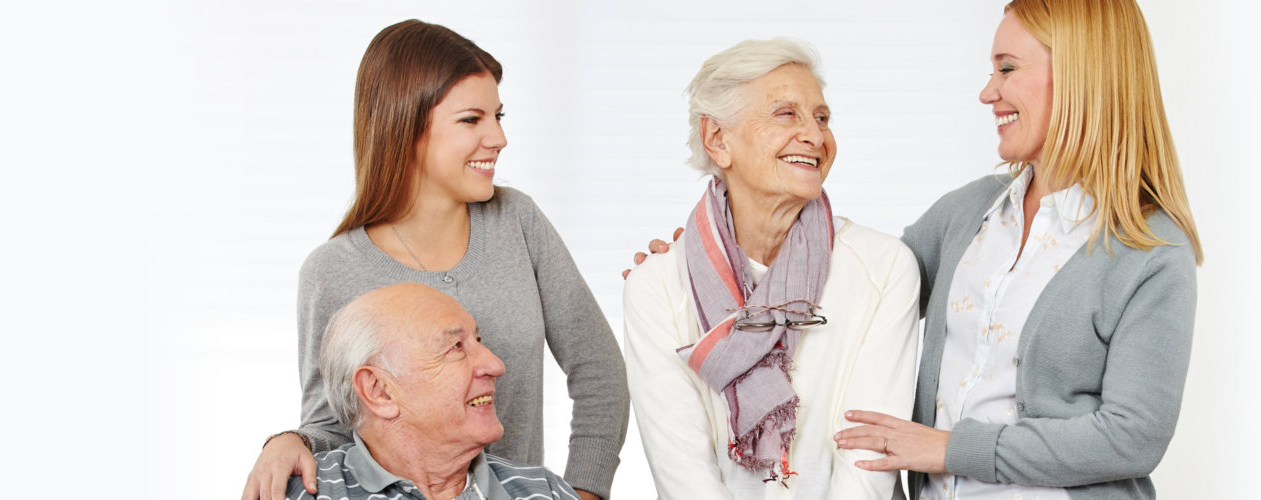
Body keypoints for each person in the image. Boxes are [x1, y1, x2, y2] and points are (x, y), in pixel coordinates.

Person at [630, 1, 1201, 498]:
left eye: (1007, 69)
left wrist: (950, 450)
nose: (987, 92)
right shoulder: (971, 212)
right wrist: (705, 258)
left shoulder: (1150, 248)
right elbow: (853, 278)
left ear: (1082, 78)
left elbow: (1133, 437)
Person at [244, 19, 626, 500]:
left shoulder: (517, 221)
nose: (498, 138)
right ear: (406, 125)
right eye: (472, 119)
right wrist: (289, 440)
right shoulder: (333, 271)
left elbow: (600, 374)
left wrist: (584, 492)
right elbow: (333, 423)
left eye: (498, 116)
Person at [622, 38, 921, 500]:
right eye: (786, 114)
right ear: (717, 139)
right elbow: (683, 474)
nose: (815, 136)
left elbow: (866, 462)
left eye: (821, 118)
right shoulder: (656, 286)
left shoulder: (884, 267)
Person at [285, 283, 584, 500]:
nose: (495, 365)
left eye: (478, 341)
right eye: (455, 347)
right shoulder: (303, 495)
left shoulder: (545, 491)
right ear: (380, 392)